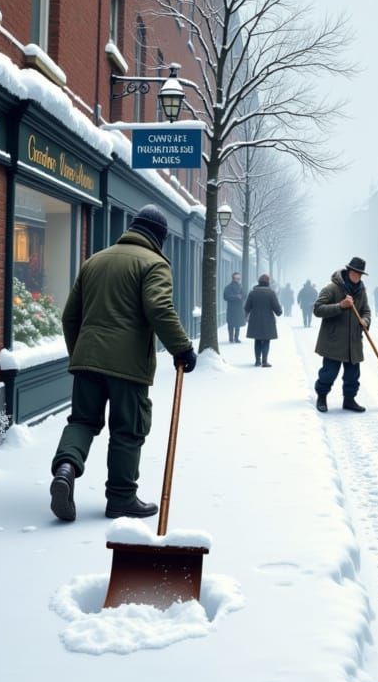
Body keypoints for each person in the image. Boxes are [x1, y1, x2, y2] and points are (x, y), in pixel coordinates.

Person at [49, 205, 196, 523]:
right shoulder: (154, 264)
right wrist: (182, 348)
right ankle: (121, 498)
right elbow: (158, 308)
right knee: (128, 430)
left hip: (87, 360)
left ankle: (65, 468)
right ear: (159, 237)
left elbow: (69, 316)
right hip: (127, 366)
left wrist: (80, 355)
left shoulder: (95, 261)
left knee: (82, 422)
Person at [313, 256, 371, 413]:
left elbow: (366, 310)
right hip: (334, 341)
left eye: (360, 274)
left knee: (353, 375)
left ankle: (349, 400)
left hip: (353, 341)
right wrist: (340, 306)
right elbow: (317, 309)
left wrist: (365, 321)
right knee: (328, 373)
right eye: (356, 273)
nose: (358, 277)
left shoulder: (361, 290)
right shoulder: (332, 288)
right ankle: (322, 396)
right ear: (349, 271)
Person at [245, 273, 283, 366]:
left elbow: (246, 307)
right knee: (266, 340)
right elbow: (277, 310)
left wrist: (247, 316)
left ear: (259, 282)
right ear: (268, 283)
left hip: (255, 320)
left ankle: (257, 360)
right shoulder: (271, 293)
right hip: (268, 321)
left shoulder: (252, 293)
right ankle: (264, 361)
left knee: (257, 340)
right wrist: (279, 311)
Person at [222, 271, 245, 343]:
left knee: (237, 324)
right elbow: (226, 297)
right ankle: (231, 338)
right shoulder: (228, 287)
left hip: (238, 308)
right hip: (231, 308)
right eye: (237, 278)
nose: (238, 280)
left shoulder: (241, 287)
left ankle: (236, 338)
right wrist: (236, 297)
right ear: (233, 278)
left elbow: (244, 295)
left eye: (239, 278)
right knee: (231, 323)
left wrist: (241, 297)